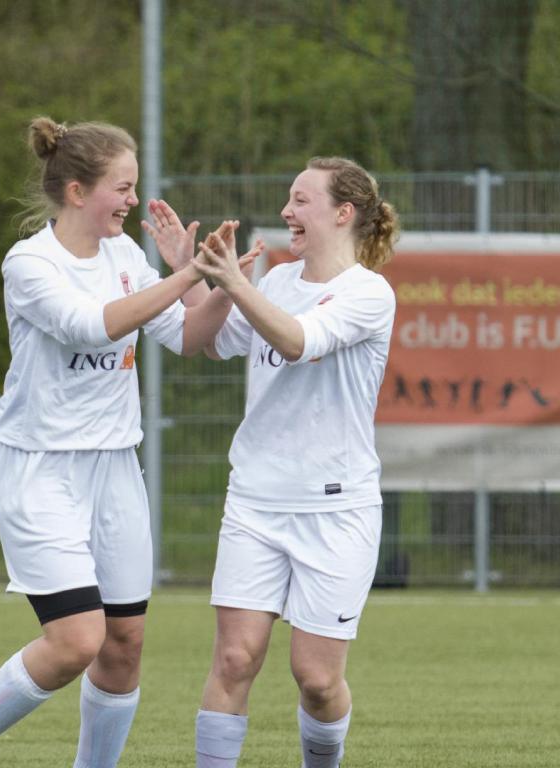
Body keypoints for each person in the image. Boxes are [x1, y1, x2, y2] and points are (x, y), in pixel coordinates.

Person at [0, 116, 255, 768]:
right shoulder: (30, 263)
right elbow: (91, 328)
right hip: (41, 470)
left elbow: (189, 337)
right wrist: (187, 274)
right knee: (77, 640)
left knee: (123, 642)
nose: (134, 200)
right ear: (78, 191)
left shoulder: (124, 258)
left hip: (114, 468)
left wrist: (221, 282)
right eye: (123, 186)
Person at [189, 157, 399, 768]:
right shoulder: (275, 282)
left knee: (316, 678)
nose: (287, 212)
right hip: (255, 500)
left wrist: (237, 284)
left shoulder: (368, 292)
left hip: (336, 510)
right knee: (234, 659)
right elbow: (210, 341)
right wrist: (189, 268)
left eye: (301, 200)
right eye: (288, 199)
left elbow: (297, 341)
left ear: (344, 212)